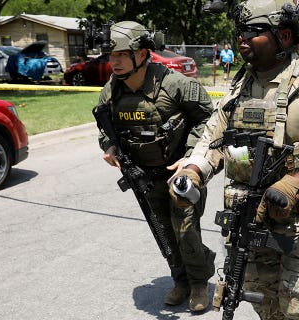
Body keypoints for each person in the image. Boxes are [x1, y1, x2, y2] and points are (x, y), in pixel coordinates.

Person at [169, 0, 299, 318]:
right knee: (269, 309)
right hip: (251, 221)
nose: (241, 38)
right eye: (239, 31)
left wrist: (295, 185)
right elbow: (212, 141)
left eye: (252, 31)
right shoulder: (237, 90)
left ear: (284, 36)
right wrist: (192, 172)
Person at [95, 21, 216, 312]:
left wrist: (190, 157)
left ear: (142, 52)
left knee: (185, 229)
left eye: (122, 54)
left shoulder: (175, 83)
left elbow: (208, 120)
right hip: (144, 177)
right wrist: (109, 147)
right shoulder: (111, 92)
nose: (115, 61)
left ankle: (199, 283)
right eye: (111, 55)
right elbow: (104, 127)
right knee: (162, 230)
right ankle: (182, 280)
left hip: (181, 173)